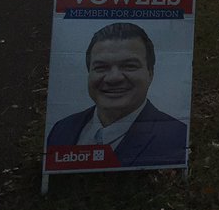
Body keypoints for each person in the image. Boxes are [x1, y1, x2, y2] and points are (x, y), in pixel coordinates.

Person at [46, 22, 187, 168]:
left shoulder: (177, 137)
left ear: (150, 74)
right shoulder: (61, 129)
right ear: (89, 73)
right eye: (101, 67)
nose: (114, 78)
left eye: (129, 66)